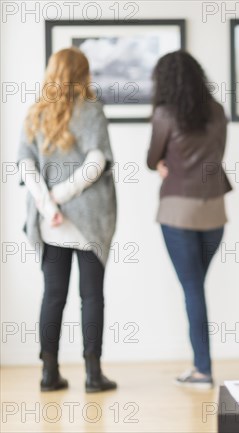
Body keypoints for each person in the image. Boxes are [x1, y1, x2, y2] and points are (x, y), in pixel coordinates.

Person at [17, 47, 117, 393]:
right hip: (88, 218)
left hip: (52, 221)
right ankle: (93, 375)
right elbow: (96, 164)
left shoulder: (36, 113)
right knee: (92, 296)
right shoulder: (91, 109)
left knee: (53, 294)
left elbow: (26, 168)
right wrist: (60, 197)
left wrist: (48, 203)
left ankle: (49, 373)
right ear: (83, 73)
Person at [147, 51, 232, 388]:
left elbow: (151, 157)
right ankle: (200, 367)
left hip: (178, 212)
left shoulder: (164, 114)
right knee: (195, 288)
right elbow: (218, 155)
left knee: (192, 289)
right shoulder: (218, 111)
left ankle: (202, 370)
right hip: (214, 212)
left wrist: (163, 165)